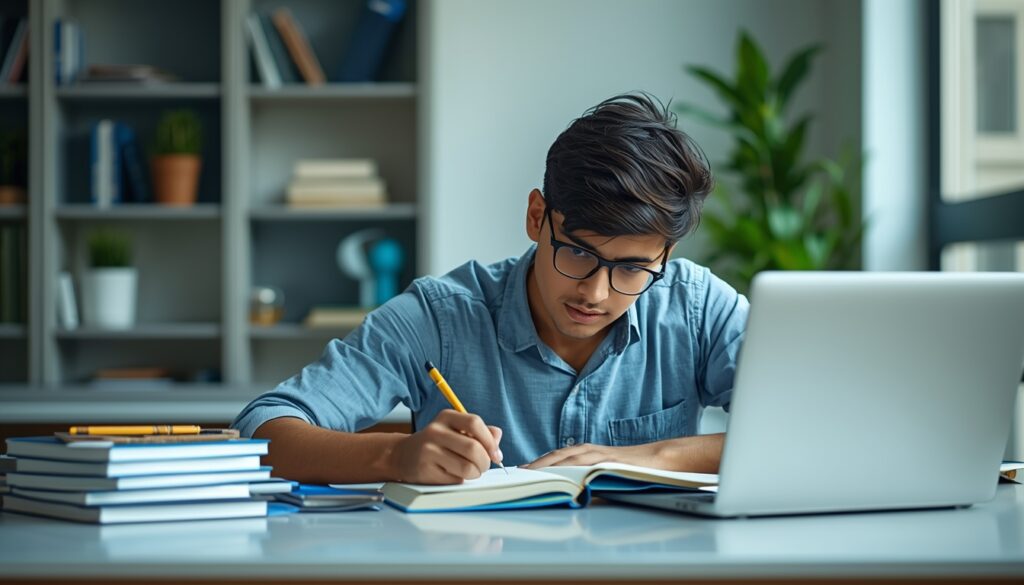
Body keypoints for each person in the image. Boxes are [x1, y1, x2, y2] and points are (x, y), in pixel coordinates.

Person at [233, 92, 749, 485]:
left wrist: (649, 457)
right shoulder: (439, 317)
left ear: (665, 257)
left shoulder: (698, 307)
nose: (595, 293)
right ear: (537, 216)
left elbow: (797, 428)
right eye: (578, 253)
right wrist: (394, 455)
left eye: (632, 268)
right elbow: (261, 428)